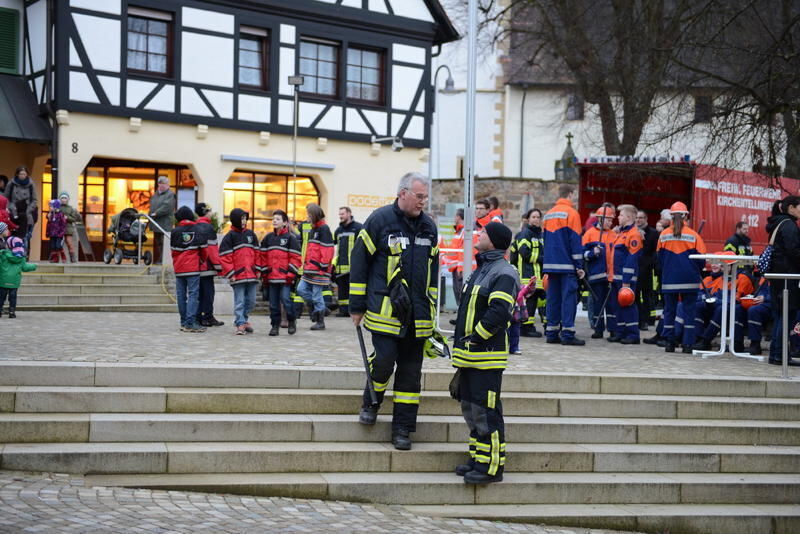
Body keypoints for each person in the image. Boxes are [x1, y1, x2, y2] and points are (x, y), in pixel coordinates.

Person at [350, 172, 439, 451]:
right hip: (385, 310)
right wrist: (356, 305)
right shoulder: (379, 221)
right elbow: (359, 261)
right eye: (419, 196)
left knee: (411, 374)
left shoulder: (429, 227)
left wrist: (431, 307)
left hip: (418, 316)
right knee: (385, 360)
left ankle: (402, 428)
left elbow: (433, 272)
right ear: (403, 193)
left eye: (425, 197)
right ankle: (371, 402)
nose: (423, 202)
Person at [452, 222, 519, 484]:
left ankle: (491, 467)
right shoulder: (483, 268)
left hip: (485, 355)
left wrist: (475, 337)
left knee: (487, 412)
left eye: (483, 233)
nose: (478, 235)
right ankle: (478, 458)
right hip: (470, 356)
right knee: (472, 410)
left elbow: (499, 312)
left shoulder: (503, 272)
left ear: (492, 240)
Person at [656, 202, 707, 354]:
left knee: (669, 312)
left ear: (671, 216)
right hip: (690, 279)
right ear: (686, 215)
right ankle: (688, 345)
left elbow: (659, 259)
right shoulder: (693, 235)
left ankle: (669, 343)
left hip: (669, 279)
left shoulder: (664, 235)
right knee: (689, 313)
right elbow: (701, 260)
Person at [543, 184, 585, 345]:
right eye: (574, 195)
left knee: (553, 298)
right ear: (570, 194)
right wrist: (579, 265)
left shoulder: (548, 215)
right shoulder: (572, 213)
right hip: (567, 264)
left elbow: (545, 240)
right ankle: (567, 333)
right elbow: (574, 241)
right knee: (568, 299)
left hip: (551, 264)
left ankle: (552, 333)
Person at [765, 195, 800, 366]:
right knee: (787, 315)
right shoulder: (789, 226)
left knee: (781, 315)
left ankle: (776, 354)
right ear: (791, 208)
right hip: (787, 277)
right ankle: (780, 355)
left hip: (779, 277)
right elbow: (793, 251)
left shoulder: (779, 223)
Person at [260, 209, 301, 336]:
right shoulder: (268, 238)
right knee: (273, 304)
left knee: (286, 300)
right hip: (271, 277)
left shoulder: (290, 238)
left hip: (285, 278)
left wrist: (290, 274)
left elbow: (296, 258)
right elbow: (262, 257)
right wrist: (264, 274)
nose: (274, 221)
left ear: (285, 223)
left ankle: (291, 320)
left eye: (278, 219)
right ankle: (274, 326)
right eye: (273, 219)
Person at [219, 208, 260, 335]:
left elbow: (258, 253)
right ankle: (240, 323)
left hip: (252, 275)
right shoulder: (229, 237)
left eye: (245, 218)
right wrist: (231, 274)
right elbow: (225, 257)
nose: (244, 221)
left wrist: (258, 269)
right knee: (240, 301)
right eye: (241, 218)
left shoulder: (251, 235)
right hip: (237, 276)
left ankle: (243, 320)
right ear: (235, 220)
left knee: (251, 301)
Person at [296, 203, 334, 331]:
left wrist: (323, 267)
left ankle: (320, 321)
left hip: (319, 269)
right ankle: (322, 309)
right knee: (301, 289)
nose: (307, 217)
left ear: (314, 215)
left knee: (317, 295)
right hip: (309, 268)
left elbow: (328, 249)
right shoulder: (313, 229)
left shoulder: (324, 229)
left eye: (309, 214)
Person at [170, 206, 209, 333]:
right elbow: (204, 250)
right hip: (193, 268)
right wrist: (202, 260)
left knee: (181, 295)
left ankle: (183, 321)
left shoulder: (175, 231)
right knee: (193, 294)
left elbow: (173, 252)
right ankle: (190, 322)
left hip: (179, 268)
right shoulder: (198, 229)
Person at [608, 205, 643, 344]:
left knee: (628, 306)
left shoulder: (633, 235)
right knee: (618, 306)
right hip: (617, 277)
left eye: (621, 215)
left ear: (628, 217)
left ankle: (633, 335)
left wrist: (626, 281)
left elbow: (632, 259)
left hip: (626, 279)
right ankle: (621, 332)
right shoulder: (621, 233)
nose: (618, 217)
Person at [582, 206, 617, 340]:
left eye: (611, 220)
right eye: (607, 220)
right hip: (597, 276)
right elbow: (582, 253)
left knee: (611, 305)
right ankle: (598, 329)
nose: (610, 222)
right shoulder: (590, 233)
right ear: (600, 219)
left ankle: (613, 329)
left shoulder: (614, 234)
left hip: (611, 275)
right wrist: (592, 253)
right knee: (598, 304)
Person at [194, 203, 224, 327]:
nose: (211, 213)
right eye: (210, 211)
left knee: (198, 293)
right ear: (206, 212)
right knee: (208, 293)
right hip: (207, 266)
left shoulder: (194, 227)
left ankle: (198, 317)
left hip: (196, 266)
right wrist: (218, 266)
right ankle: (208, 317)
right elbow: (212, 249)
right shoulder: (209, 228)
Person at [0, 222, 37, 318]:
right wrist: (34, 266)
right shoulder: (21, 258)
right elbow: (25, 267)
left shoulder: (3, 254)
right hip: (14, 282)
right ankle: (12, 312)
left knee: (1, 296)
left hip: (3, 280)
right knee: (13, 297)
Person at [332, 206, 362, 318]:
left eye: (342, 214)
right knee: (342, 291)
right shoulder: (338, 231)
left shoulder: (358, 228)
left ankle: (354, 311)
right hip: (341, 267)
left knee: (354, 291)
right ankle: (343, 311)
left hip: (354, 267)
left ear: (349, 213)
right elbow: (335, 248)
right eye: (339, 214)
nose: (340, 216)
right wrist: (334, 265)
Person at [4, 166, 38, 256]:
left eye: (24, 174)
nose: (22, 175)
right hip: (13, 212)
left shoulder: (31, 185)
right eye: (21, 174)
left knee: (25, 236)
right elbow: (6, 198)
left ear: (27, 174)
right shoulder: (11, 184)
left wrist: (29, 210)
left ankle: (24, 255)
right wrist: (10, 207)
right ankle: (12, 255)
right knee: (13, 235)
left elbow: (34, 200)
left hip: (26, 213)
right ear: (17, 174)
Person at [635, 210, 659, 329]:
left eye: (641, 218)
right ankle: (639, 320)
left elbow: (656, 251)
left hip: (647, 270)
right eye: (637, 218)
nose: (638, 220)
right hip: (635, 268)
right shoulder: (633, 232)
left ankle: (647, 320)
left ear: (646, 219)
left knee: (647, 297)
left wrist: (651, 263)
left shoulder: (653, 233)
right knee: (635, 297)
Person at [148, 176, 175, 264]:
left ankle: (162, 260)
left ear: (168, 185)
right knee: (158, 242)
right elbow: (152, 206)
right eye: (161, 183)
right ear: (158, 184)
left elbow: (167, 206)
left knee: (164, 243)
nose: (163, 185)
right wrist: (150, 214)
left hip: (165, 223)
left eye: (165, 184)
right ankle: (160, 259)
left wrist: (156, 213)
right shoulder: (155, 195)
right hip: (155, 223)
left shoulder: (170, 195)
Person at [58, 192, 81, 263]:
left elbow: (74, 219)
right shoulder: (57, 207)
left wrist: (67, 217)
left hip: (68, 228)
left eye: (65, 198)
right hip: (58, 228)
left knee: (69, 243)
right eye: (62, 198)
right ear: (60, 199)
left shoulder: (71, 209)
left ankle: (72, 258)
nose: (64, 199)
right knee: (57, 244)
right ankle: (57, 258)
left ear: (67, 199)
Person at [46, 199, 68, 263]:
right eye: (49, 206)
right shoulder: (51, 214)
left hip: (59, 234)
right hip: (52, 233)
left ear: (56, 207)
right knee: (53, 246)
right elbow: (48, 220)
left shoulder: (60, 214)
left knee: (58, 245)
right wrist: (49, 215)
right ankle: (55, 259)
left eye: (51, 206)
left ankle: (63, 256)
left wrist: (61, 233)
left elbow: (63, 224)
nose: (50, 208)